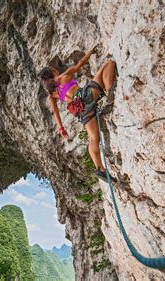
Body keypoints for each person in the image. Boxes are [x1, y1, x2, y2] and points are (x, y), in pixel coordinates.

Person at [38, 46, 117, 182]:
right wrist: (90, 52)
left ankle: (100, 168)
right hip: (87, 96)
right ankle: (110, 93)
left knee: (94, 139)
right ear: (53, 71)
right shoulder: (64, 76)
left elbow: (56, 112)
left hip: (82, 111)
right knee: (109, 64)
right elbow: (80, 63)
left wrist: (61, 128)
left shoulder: (52, 94)